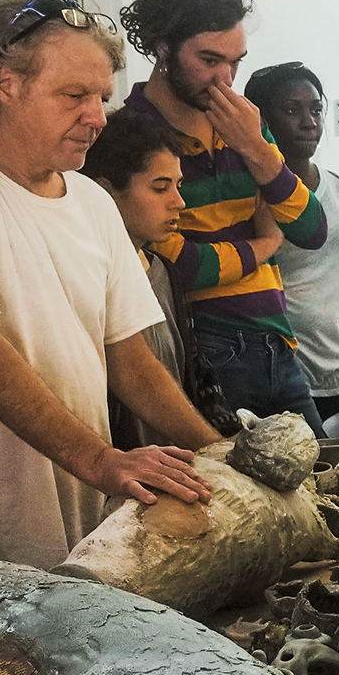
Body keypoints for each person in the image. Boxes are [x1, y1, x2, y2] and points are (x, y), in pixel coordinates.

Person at [0, 0, 218, 569]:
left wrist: (220, 452)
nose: (97, 117)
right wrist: (100, 460)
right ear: (6, 84)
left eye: (102, 97)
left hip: (80, 518)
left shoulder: (91, 200)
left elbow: (131, 361)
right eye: (74, 96)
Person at [118, 0, 328, 434]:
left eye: (235, 62)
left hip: (278, 340)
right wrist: (266, 243)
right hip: (206, 347)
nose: (225, 80)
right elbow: (179, 267)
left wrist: (255, 148)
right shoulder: (131, 134)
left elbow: (313, 230)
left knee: (327, 473)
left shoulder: (245, 124)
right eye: (209, 60)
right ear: (163, 48)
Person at [244, 61, 339, 422]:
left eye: (316, 110)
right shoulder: (250, 198)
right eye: (291, 110)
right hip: (286, 377)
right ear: (261, 121)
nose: (309, 122)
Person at [80, 107, 238, 447]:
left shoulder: (163, 271)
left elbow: (197, 379)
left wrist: (226, 445)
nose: (178, 202)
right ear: (104, 193)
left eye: (178, 186)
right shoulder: (85, 277)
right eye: (160, 188)